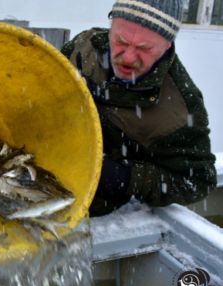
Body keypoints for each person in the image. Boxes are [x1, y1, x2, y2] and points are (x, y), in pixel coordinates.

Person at [60, 0, 217, 217]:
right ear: (111, 26)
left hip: (92, 209)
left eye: (144, 48)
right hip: (42, 173)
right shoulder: (84, 46)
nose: (128, 57)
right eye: (120, 41)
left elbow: (196, 181)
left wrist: (125, 178)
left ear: (168, 44)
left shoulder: (182, 110)